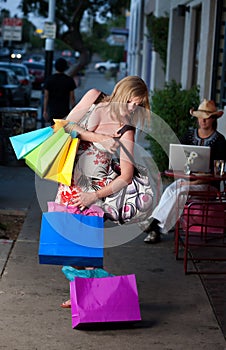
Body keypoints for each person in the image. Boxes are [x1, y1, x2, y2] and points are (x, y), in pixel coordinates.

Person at [52, 76, 151, 307]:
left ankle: (100, 299)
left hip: (92, 193)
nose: (132, 108)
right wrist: (101, 139)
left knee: (85, 249)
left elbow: (126, 176)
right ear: (121, 94)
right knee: (69, 247)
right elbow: (65, 126)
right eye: (130, 102)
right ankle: (88, 294)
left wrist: (93, 197)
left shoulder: (126, 130)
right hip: (68, 185)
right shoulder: (94, 97)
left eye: (137, 106)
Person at [143, 99, 226, 244]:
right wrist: (184, 177)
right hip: (186, 181)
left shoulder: (220, 141)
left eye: (206, 118)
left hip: (207, 187)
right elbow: (178, 159)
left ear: (213, 119)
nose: (203, 121)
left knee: (181, 192)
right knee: (171, 190)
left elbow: (217, 173)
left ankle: (155, 226)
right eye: (200, 117)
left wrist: (194, 181)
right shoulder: (188, 136)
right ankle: (156, 227)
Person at [43, 57, 76, 125]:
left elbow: (46, 96)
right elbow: (72, 98)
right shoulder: (69, 80)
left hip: (52, 110)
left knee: (53, 128)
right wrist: (74, 111)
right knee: (63, 129)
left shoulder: (49, 80)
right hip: (64, 110)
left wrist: (45, 110)